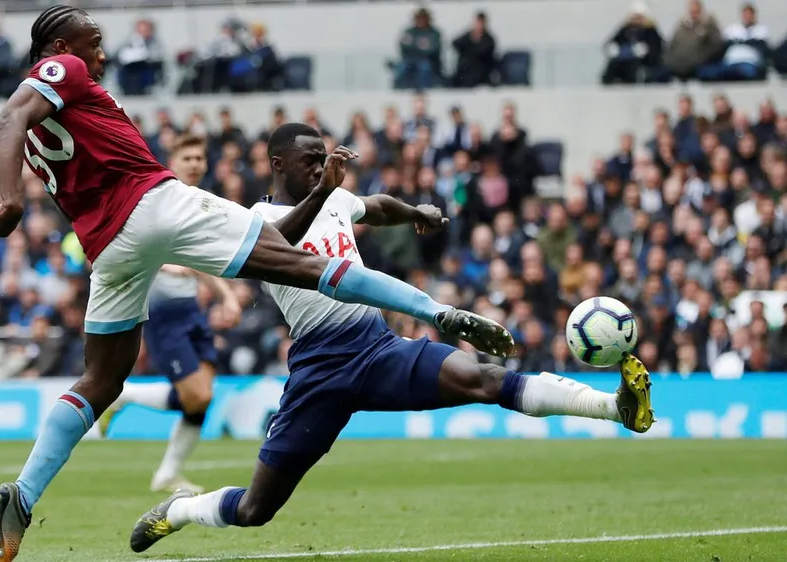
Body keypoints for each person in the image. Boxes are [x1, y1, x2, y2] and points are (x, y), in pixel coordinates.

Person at [0, 7, 513, 561]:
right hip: (152, 204)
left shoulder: (50, 113)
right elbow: (6, 119)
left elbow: (16, 127)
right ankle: (437, 314)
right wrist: (11, 200)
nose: (101, 54)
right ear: (60, 46)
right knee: (302, 262)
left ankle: (24, 493)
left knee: (101, 379)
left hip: (108, 244)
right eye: (92, 42)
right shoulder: (61, 69)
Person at [127, 134, 657, 554]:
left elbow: (374, 206)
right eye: (309, 161)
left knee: (485, 378)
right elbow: (278, 246)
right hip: (319, 371)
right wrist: (322, 192)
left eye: (323, 159)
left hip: (377, 347)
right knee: (255, 510)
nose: (320, 167)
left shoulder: (336, 198)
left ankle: (616, 408)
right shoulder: (255, 220)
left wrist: (414, 212)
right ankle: (181, 509)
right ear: (278, 164)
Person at [97, 134, 243, 494]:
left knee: (201, 398)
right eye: (187, 158)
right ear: (171, 163)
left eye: (199, 158)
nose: (194, 163)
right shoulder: (153, 199)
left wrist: (227, 297)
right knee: (196, 395)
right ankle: (125, 396)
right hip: (162, 315)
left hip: (191, 311)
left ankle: (168, 473)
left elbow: (201, 261)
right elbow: (125, 245)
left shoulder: (201, 204)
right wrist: (161, 264)